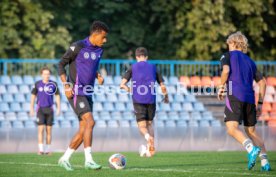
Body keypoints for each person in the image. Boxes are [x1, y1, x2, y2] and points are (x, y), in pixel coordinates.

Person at [57, 21, 108, 171]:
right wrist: (66, 85)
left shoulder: (100, 51)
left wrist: (98, 75)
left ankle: (64, 159)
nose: (105, 40)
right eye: (103, 37)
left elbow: (91, 66)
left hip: (88, 92)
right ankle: (89, 160)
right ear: (96, 33)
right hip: (75, 91)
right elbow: (61, 64)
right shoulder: (78, 46)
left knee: (83, 129)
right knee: (90, 122)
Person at [218, 31, 271, 171]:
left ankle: (251, 149)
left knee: (231, 128)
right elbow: (263, 83)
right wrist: (260, 103)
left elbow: (226, 70)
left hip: (234, 95)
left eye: (229, 44)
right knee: (252, 131)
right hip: (249, 98)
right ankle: (265, 163)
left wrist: (221, 86)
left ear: (234, 43)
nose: (228, 46)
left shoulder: (227, 55)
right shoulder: (250, 61)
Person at [120, 47, 169, 157]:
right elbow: (163, 86)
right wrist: (166, 97)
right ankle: (150, 149)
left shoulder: (133, 67)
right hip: (151, 99)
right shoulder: (153, 67)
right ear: (146, 57)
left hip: (138, 99)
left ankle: (148, 138)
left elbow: (122, 84)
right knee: (150, 124)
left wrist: (129, 89)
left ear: (136, 57)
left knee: (142, 126)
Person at [30, 66, 61, 155]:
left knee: (49, 130)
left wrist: (59, 108)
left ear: (50, 75)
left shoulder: (53, 84)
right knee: (41, 129)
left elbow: (57, 96)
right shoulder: (37, 84)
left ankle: (47, 150)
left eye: (48, 74)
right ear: (41, 75)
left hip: (50, 109)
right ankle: (40, 149)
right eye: (44, 74)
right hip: (40, 109)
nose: (46, 76)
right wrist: (31, 108)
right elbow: (33, 96)